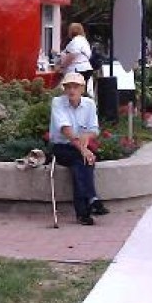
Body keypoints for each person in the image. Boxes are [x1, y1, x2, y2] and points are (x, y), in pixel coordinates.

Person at [49, 72, 109, 226]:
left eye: (75, 87)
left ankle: (84, 213)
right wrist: (83, 148)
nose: (71, 90)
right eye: (68, 87)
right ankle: (91, 198)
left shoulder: (89, 104)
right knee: (82, 158)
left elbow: (95, 129)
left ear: (82, 89)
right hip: (62, 146)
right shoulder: (58, 102)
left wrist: (87, 137)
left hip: (81, 146)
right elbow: (65, 129)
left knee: (80, 164)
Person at [58, 22, 94, 91]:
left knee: (73, 90)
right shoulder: (83, 40)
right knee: (81, 91)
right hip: (85, 68)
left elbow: (73, 55)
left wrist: (62, 66)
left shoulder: (76, 41)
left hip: (77, 69)